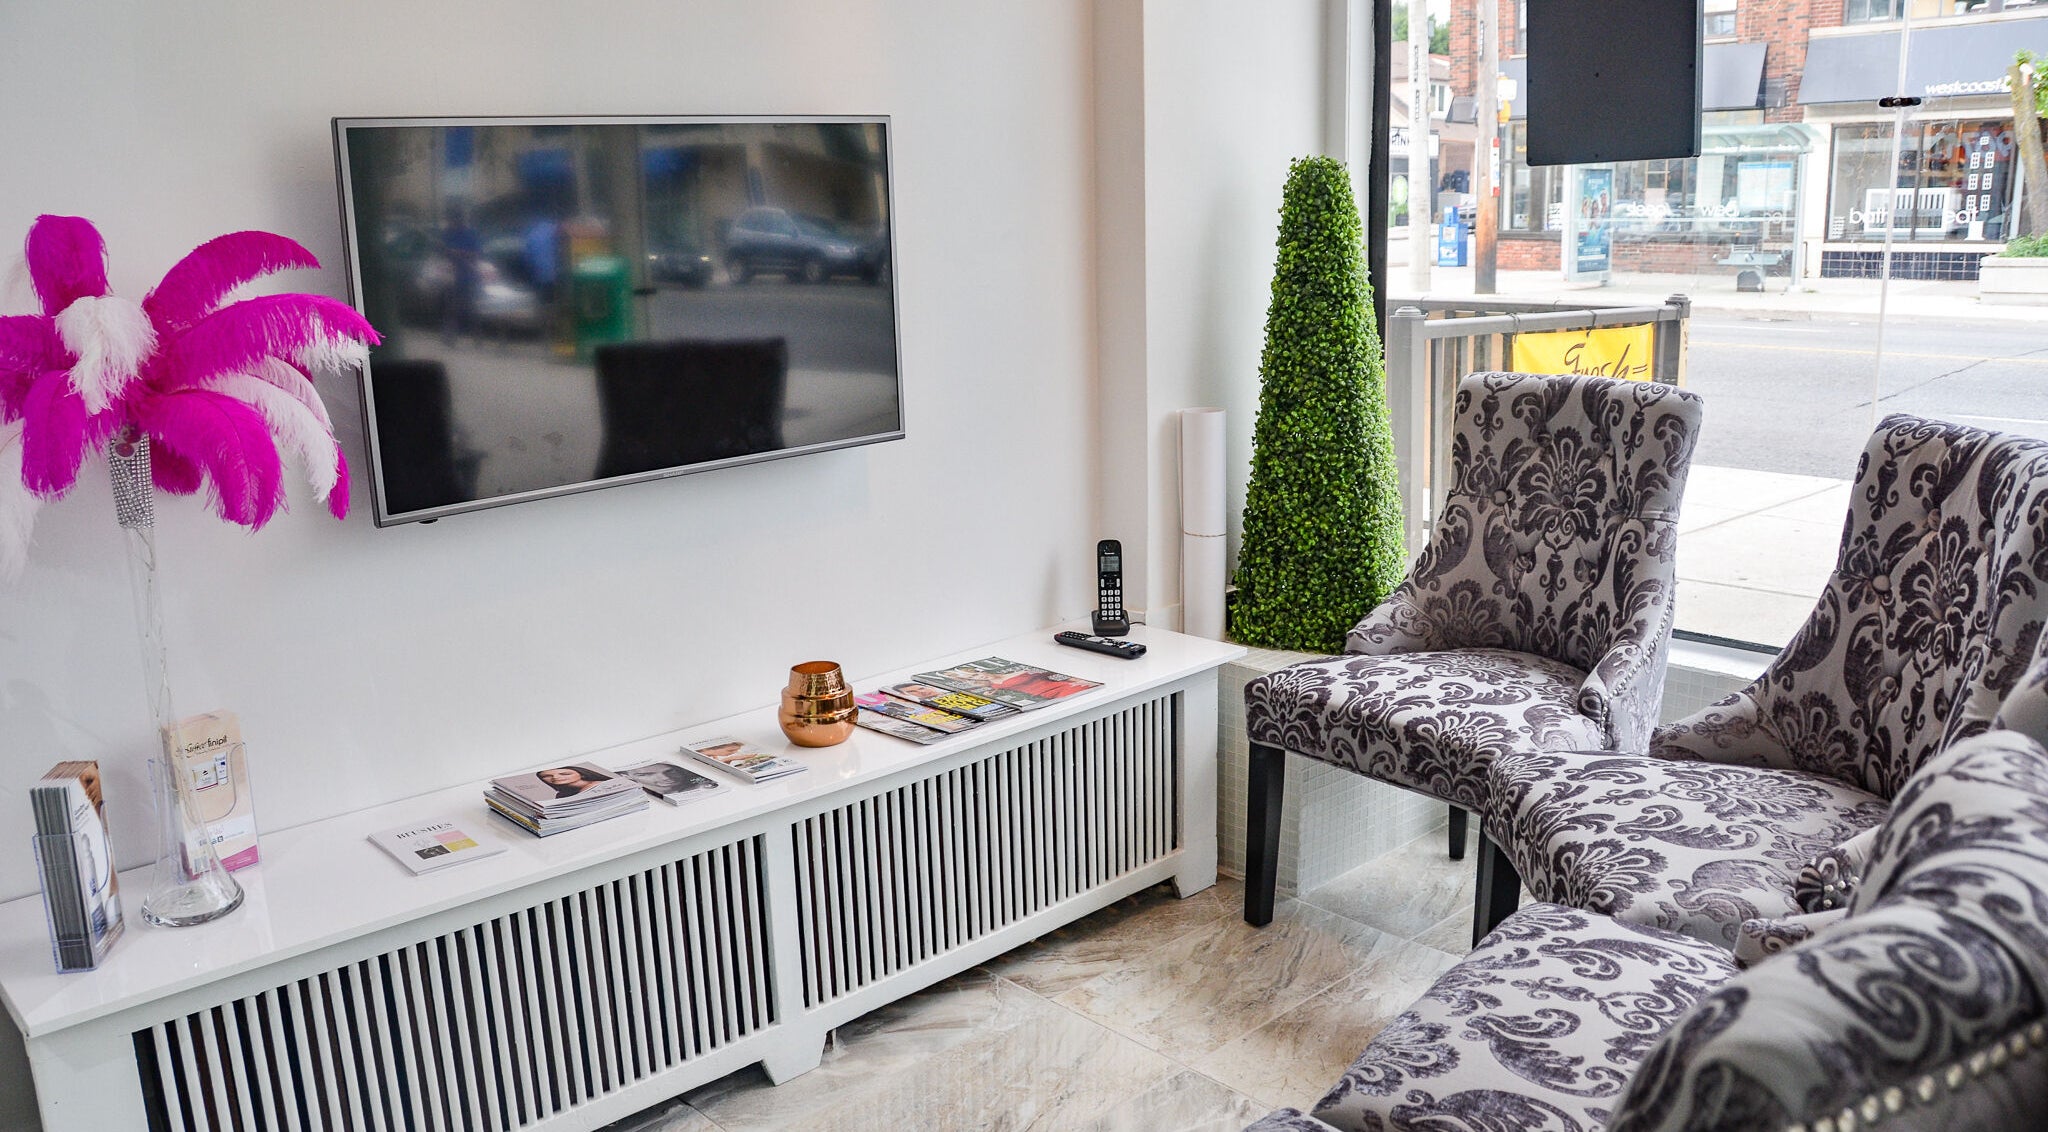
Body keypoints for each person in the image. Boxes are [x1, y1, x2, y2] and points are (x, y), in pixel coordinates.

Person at [535, 765, 612, 799]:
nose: (555, 777)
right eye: (546, 776)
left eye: (565, 774)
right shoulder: (561, 794)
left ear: (582, 775)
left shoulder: (597, 785)